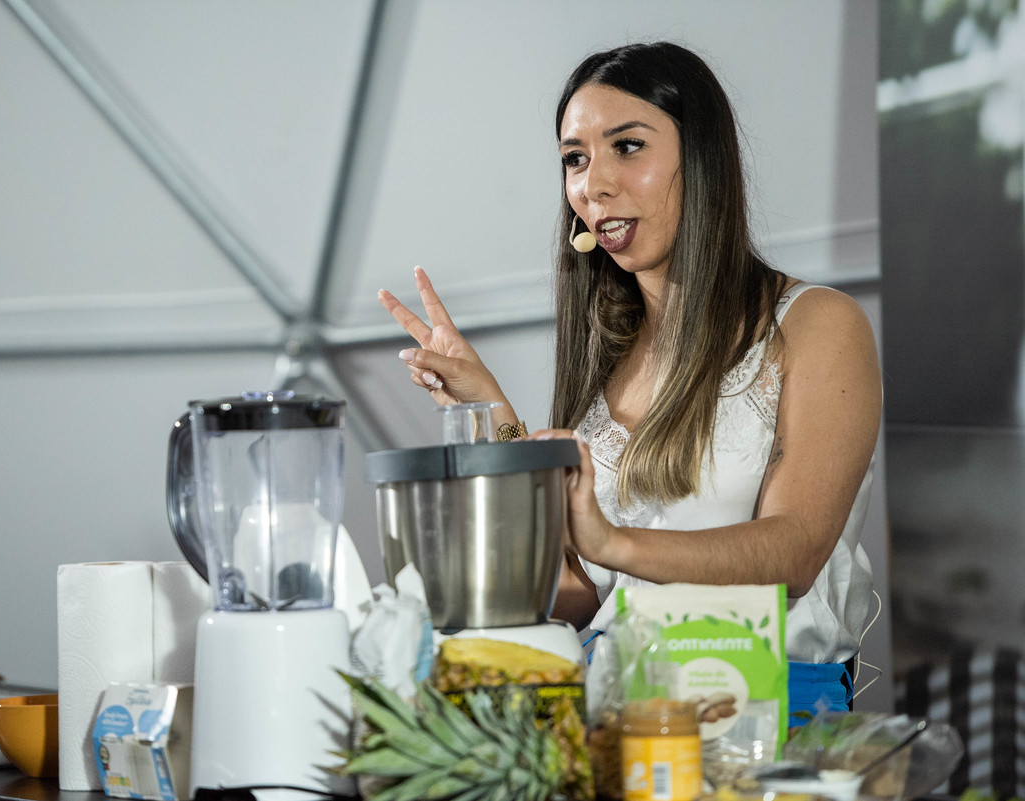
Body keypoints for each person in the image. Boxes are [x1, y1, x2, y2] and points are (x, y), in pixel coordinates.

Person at [378, 42, 882, 713]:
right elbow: (581, 592)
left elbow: (793, 554)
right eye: (575, 159)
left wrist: (612, 542)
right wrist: (490, 406)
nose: (594, 184)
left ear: (702, 159)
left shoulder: (818, 324)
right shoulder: (607, 354)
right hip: (610, 706)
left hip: (762, 714)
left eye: (628, 146)